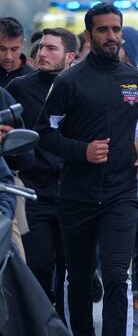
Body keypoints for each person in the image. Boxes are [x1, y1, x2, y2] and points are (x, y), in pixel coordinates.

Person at [36, 3, 138, 336]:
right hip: (75, 195)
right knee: (77, 277)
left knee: (116, 277)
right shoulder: (69, 82)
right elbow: (46, 133)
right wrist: (82, 151)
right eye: (104, 30)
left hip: (120, 194)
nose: (112, 36)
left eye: (116, 29)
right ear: (89, 34)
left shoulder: (136, 80)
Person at [7, 28, 77, 320]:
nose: (42, 54)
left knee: (71, 265)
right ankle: (41, 321)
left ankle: (63, 326)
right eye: (41, 47)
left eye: (51, 49)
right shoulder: (19, 88)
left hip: (74, 188)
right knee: (38, 261)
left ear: (70, 56)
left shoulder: (81, 85)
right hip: (34, 188)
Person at [0, 17, 34, 87]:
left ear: (23, 44)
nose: (8, 56)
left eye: (14, 49)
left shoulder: (32, 78)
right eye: (2, 49)